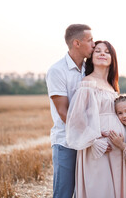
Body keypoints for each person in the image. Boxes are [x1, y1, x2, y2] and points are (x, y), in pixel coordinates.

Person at [66, 41, 126, 198]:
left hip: (116, 148)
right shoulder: (87, 83)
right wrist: (94, 142)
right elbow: (77, 118)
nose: (102, 53)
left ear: (112, 58)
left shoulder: (112, 86)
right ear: (91, 57)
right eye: (97, 51)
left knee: (115, 190)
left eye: (106, 52)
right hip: (98, 147)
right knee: (100, 189)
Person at [46, 24, 95, 198]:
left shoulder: (89, 69)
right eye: (89, 40)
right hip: (66, 142)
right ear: (76, 43)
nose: (94, 44)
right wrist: (91, 135)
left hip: (89, 143)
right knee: (64, 194)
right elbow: (63, 112)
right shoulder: (57, 71)